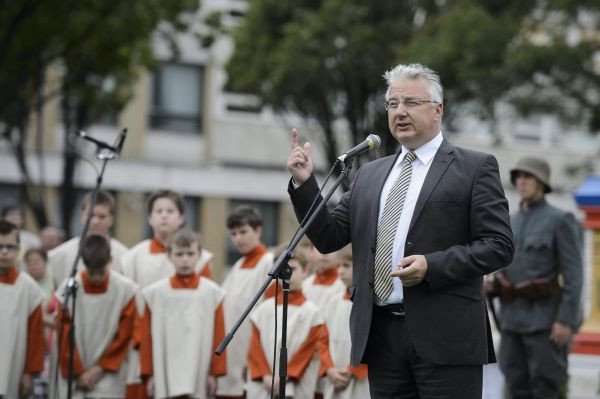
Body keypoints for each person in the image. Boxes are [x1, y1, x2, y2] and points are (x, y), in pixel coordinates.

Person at [287, 63, 514, 398]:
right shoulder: (370, 174)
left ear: (437, 111)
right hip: (381, 335)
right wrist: (305, 185)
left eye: (411, 103)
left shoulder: (474, 168)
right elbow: (328, 237)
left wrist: (431, 266)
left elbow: (498, 245)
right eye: (393, 104)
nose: (400, 112)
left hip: (447, 338)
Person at [491, 157, 583, 399]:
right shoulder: (509, 221)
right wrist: (492, 282)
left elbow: (574, 276)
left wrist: (565, 321)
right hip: (511, 320)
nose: (521, 182)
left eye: (528, 176)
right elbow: (503, 264)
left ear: (542, 182)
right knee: (515, 383)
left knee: (546, 388)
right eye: (518, 177)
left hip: (545, 321)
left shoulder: (560, 220)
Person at [121, 189, 213, 398]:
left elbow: (207, 310)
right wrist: (140, 340)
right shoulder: (133, 257)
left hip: (188, 352)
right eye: (158, 210)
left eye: (170, 211)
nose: (164, 215)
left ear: (181, 218)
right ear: (149, 218)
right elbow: (127, 306)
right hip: (142, 347)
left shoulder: (201, 260)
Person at [138, 228, 226, 399]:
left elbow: (219, 336)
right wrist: (149, 375)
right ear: (169, 255)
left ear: (199, 255)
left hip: (200, 371)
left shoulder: (212, 293)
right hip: (165, 370)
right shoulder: (154, 293)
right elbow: (146, 337)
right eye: (179, 254)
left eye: (190, 253)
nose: (185, 259)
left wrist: (214, 374)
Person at [55, 234, 137, 399]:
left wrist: (100, 368)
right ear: (83, 263)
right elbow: (63, 333)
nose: (96, 278)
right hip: (76, 372)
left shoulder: (126, 290)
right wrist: (77, 371)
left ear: (110, 260)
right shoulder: (69, 288)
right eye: (91, 272)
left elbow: (124, 335)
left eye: (100, 271)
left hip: (109, 372)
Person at [246, 246, 329, 399]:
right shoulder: (263, 309)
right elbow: (255, 348)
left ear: (305, 271)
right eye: (282, 269)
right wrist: (265, 375)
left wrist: (285, 376)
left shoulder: (313, 313)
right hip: (265, 383)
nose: (287, 274)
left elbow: (308, 350)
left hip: (295, 383)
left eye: (294, 269)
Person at [216, 205, 274, 399]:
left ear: (258, 231)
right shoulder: (238, 265)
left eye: (243, 231)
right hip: (233, 352)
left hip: (255, 352)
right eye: (233, 234)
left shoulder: (269, 262)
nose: (238, 238)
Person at [0, 221, 45, 398]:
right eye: (0, 246)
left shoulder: (28, 288)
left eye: (10, 247)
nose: (4, 252)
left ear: (19, 249)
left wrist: (29, 373)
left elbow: (35, 334)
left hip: (13, 366)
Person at [47, 191, 128, 286]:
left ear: (111, 220)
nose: (95, 221)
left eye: (102, 216)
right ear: (82, 217)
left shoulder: (125, 256)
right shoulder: (59, 255)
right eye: (91, 215)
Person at [321, 246, 369, 399]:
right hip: (334, 376)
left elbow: (375, 340)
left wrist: (352, 369)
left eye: (346, 266)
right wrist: (330, 369)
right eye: (338, 266)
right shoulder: (332, 302)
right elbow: (322, 339)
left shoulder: (370, 303)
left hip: (361, 379)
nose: (340, 271)